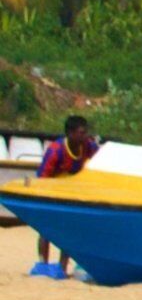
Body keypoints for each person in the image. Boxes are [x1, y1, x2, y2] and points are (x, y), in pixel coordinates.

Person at [26, 114, 97, 278]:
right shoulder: (56, 150)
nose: (84, 136)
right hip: (51, 192)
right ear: (70, 133)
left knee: (68, 230)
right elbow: (43, 177)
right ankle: (43, 264)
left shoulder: (88, 146)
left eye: (85, 132)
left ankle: (63, 267)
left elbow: (101, 159)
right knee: (46, 228)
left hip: (72, 193)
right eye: (81, 133)